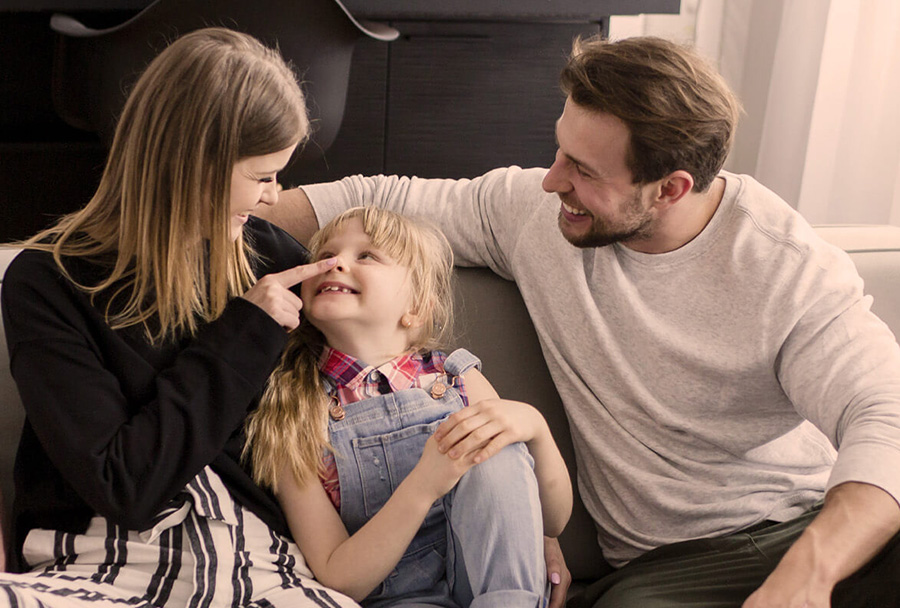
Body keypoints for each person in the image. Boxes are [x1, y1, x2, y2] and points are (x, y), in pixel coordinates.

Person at [260, 35, 900, 607]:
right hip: (669, 571)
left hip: (813, 527)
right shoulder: (536, 215)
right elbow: (378, 201)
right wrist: (213, 215)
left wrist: (812, 569)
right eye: (559, 151)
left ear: (671, 188)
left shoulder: (787, 268)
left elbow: (887, 415)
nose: (550, 181)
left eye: (583, 171)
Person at [0, 27, 360, 607]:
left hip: (259, 562)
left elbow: (392, 388)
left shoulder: (278, 262)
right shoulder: (49, 282)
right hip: (96, 564)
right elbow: (125, 486)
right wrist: (245, 332)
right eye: (263, 177)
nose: (274, 197)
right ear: (193, 166)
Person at [243, 206, 572, 607]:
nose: (335, 264)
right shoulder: (290, 412)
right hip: (398, 599)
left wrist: (536, 428)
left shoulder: (457, 377)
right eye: (323, 256)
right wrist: (425, 483)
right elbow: (339, 578)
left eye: (366, 255)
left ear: (416, 307)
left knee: (493, 448)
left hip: (500, 588)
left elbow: (553, 521)